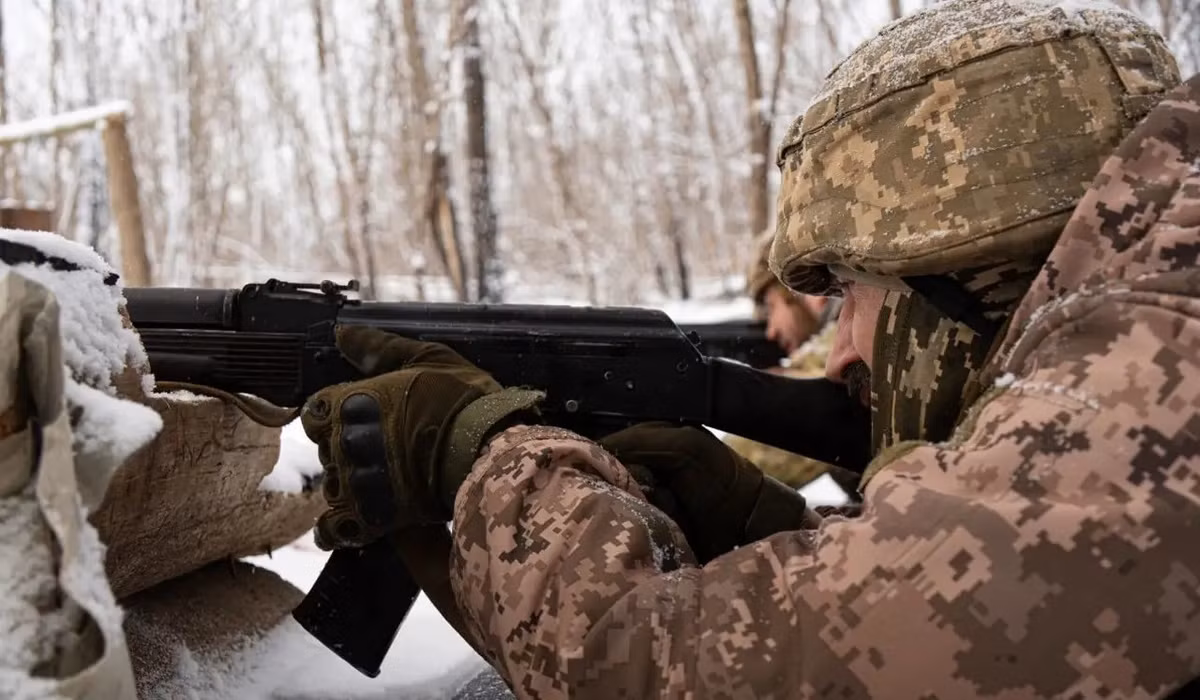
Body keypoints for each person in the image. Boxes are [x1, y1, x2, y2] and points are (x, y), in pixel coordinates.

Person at [301, 1, 1200, 697]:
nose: (840, 351)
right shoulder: (1155, 341)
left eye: (851, 294)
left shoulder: (1135, 399)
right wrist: (784, 536)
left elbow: (639, 671)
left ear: (968, 270)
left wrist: (486, 451)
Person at [725, 229, 861, 494]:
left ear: (804, 291)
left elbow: (744, 461)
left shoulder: (851, 346)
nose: (770, 331)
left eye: (770, 306)